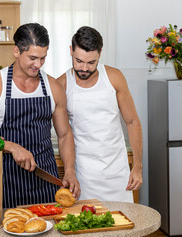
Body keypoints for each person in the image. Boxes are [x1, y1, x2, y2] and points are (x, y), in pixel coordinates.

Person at [0, 23, 80, 208]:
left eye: (43, 58)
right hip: (7, 182)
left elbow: (65, 135)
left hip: (46, 181)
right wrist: (11, 146)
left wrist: (69, 170)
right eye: (32, 58)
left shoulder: (53, 87)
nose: (38, 64)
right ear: (16, 51)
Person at [57, 26, 143, 202]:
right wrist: (69, 172)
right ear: (71, 51)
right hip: (84, 175)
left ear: (100, 54)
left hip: (117, 173)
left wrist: (138, 167)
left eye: (91, 62)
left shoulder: (114, 77)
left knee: (123, 224)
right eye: (79, 61)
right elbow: (64, 134)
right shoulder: (62, 85)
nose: (84, 68)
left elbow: (132, 122)